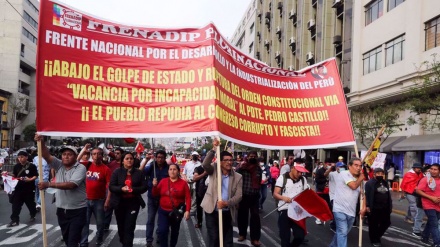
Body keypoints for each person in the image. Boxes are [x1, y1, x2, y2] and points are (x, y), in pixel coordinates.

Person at [36, 134, 87, 247]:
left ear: (75, 156)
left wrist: (49, 184)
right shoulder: (59, 165)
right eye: (64, 154)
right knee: (67, 238)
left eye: (69, 154)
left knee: (73, 241)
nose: (66, 157)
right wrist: (42, 141)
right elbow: (46, 155)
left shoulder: (80, 168)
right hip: (61, 211)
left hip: (77, 211)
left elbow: (71, 185)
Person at [201, 139, 243, 247]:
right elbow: (205, 164)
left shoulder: (238, 177)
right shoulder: (214, 170)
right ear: (220, 162)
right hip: (211, 210)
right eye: (226, 160)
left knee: (228, 241)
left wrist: (226, 203)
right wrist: (214, 149)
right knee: (214, 238)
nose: (229, 162)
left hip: (227, 211)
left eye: (231, 160)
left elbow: (239, 196)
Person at [109, 152, 147, 247]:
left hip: (133, 203)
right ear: (123, 161)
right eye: (127, 158)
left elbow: (144, 187)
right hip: (119, 203)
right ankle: (124, 241)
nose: (129, 160)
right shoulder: (117, 172)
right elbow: (111, 187)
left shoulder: (139, 173)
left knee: (129, 227)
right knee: (121, 228)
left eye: (131, 158)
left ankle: (127, 244)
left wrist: (133, 189)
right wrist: (121, 189)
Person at [79, 147, 112, 247]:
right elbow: (75, 161)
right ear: (91, 156)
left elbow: (109, 186)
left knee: (100, 223)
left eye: (98, 154)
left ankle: (99, 238)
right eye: (94, 154)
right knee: (85, 223)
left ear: (102, 156)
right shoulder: (86, 165)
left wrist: (107, 200)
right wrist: (83, 151)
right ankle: (84, 242)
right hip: (85, 200)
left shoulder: (106, 169)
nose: (96, 156)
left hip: (99, 201)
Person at [273, 159, 310, 247]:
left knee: (300, 236)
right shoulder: (283, 178)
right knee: (285, 237)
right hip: (285, 209)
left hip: (297, 211)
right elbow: (275, 194)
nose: (300, 174)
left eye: (302, 172)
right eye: (298, 172)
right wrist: (283, 198)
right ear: (292, 168)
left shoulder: (303, 180)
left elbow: (305, 194)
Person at [329, 158, 366, 247]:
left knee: (341, 233)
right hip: (339, 209)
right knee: (342, 232)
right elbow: (353, 186)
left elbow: (363, 194)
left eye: (360, 166)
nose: (358, 168)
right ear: (349, 166)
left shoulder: (360, 180)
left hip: (351, 211)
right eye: (356, 165)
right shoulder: (344, 174)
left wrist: (364, 207)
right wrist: (361, 178)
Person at [152, 163, 190, 247]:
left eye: (174, 169)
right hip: (163, 211)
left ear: (178, 171)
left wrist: (187, 210)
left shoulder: (183, 183)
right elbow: (155, 194)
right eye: (170, 169)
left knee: (175, 232)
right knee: (162, 231)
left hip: (176, 212)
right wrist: (154, 186)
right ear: (168, 171)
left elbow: (188, 198)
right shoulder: (163, 181)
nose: (172, 171)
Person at [236, 151, 262, 246]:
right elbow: (236, 177)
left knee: (255, 217)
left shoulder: (258, 168)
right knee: (242, 215)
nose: (252, 158)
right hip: (244, 196)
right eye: (251, 156)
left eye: (254, 156)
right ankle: (242, 234)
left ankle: (255, 238)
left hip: (254, 196)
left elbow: (259, 181)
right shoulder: (242, 167)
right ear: (247, 157)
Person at [144, 150, 169, 247]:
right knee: (150, 219)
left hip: (163, 197)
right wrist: (146, 160)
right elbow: (141, 171)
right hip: (152, 196)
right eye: (158, 157)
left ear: (164, 158)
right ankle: (149, 239)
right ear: (155, 157)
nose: (160, 159)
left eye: (162, 157)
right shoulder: (151, 166)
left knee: (161, 219)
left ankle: (159, 235)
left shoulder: (168, 168)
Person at [7, 150, 38, 227]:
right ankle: (14, 220)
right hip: (18, 189)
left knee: (30, 204)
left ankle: (32, 214)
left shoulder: (31, 166)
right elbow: (14, 175)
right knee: (15, 205)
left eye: (22, 157)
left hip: (29, 189)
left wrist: (30, 179)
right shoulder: (16, 166)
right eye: (19, 157)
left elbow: (35, 175)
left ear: (26, 157)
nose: (20, 159)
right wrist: (8, 174)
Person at [365, 168, 392, 247]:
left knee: (386, 223)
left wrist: (390, 205)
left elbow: (388, 194)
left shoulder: (385, 182)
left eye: (381, 173)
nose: (380, 175)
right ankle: (374, 240)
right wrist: (367, 205)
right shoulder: (370, 183)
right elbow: (366, 195)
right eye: (378, 173)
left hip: (385, 207)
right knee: (373, 224)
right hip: (374, 207)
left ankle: (377, 236)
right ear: (374, 174)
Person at [416, 163, 440, 247]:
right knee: (434, 224)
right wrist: (431, 198)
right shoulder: (425, 179)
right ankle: (437, 243)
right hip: (428, 204)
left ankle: (425, 237)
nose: (433, 171)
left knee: (431, 222)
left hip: (438, 205)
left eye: (435, 169)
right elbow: (418, 191)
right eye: (431, 169)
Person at [400, 162, 424, 236]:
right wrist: (403, 193)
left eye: (420, 168)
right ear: (414, 168)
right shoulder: (408, 174)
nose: (419, 169)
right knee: (413, 205)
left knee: (412, 205)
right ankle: (415, 219)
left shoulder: (420, 174)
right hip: (409, 192)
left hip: (416, 192)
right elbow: (403, 184)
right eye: (417, 168)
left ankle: (407, 217)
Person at [104, 147, 124, 230]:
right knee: (108, 207)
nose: (116, 154)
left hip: (120, 190)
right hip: (110, 188)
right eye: (115, 153)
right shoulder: (111, 163)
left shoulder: (124, 164)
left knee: (119, 210)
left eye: (118, 153)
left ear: (122, 154)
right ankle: (105, 226)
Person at [314, 159, 332, 225]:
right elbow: (317, 180)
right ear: (324, 164)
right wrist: (325, 179)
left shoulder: (332, 171)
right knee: (320, 205)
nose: (328, 166)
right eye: (327, 164)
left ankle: (331, 219)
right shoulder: (319, 171)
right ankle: (318, 218)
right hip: (321, 190)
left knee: (329, 205)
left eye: (330, 164)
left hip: (329, 191)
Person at [193, 160, 208, 228]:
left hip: (209, 192)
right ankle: (199, 222)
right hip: (200, 191)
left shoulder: (211, 168)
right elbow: (195, 178)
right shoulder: (198, 168)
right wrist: (204, 174)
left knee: (209, 208)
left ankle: (209, 224)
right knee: (199, 207)